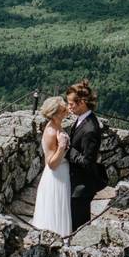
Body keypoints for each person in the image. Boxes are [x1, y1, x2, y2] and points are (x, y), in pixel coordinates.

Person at [65, 80, 106, 231]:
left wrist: (67, 149)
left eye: (71, 103)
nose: (69, 107)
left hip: (81, 188)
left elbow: (87, 161)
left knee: (79, 227)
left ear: (82, 102)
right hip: (76, 182)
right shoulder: (83, 119)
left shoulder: (90, 129)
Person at [31, 96, 72, 237]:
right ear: (54, 114)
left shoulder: (57, 126)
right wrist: (61, 148)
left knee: (61, 210)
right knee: (54, 211)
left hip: (62, 174)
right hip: (56, 176)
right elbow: (52, 164)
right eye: (62, 110)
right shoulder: (50, 132)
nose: (66, 111)